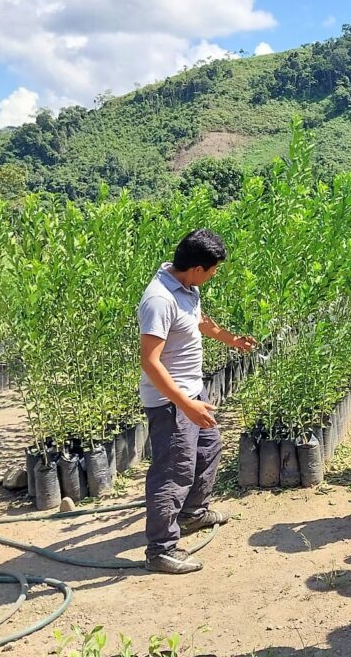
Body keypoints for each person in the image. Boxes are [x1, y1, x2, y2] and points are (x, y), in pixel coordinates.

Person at [138, 229, 256, 574]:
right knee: (173, 472)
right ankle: (161, 549)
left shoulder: (188, 288)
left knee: (208, 449)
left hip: (192, 391)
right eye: (214, 269)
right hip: (170, 400)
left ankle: (192, 514)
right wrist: (185, 404)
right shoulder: (159, 299)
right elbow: (150, 360)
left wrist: (231, 339)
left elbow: (200, 322)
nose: (215, 274)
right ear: (198, 268)